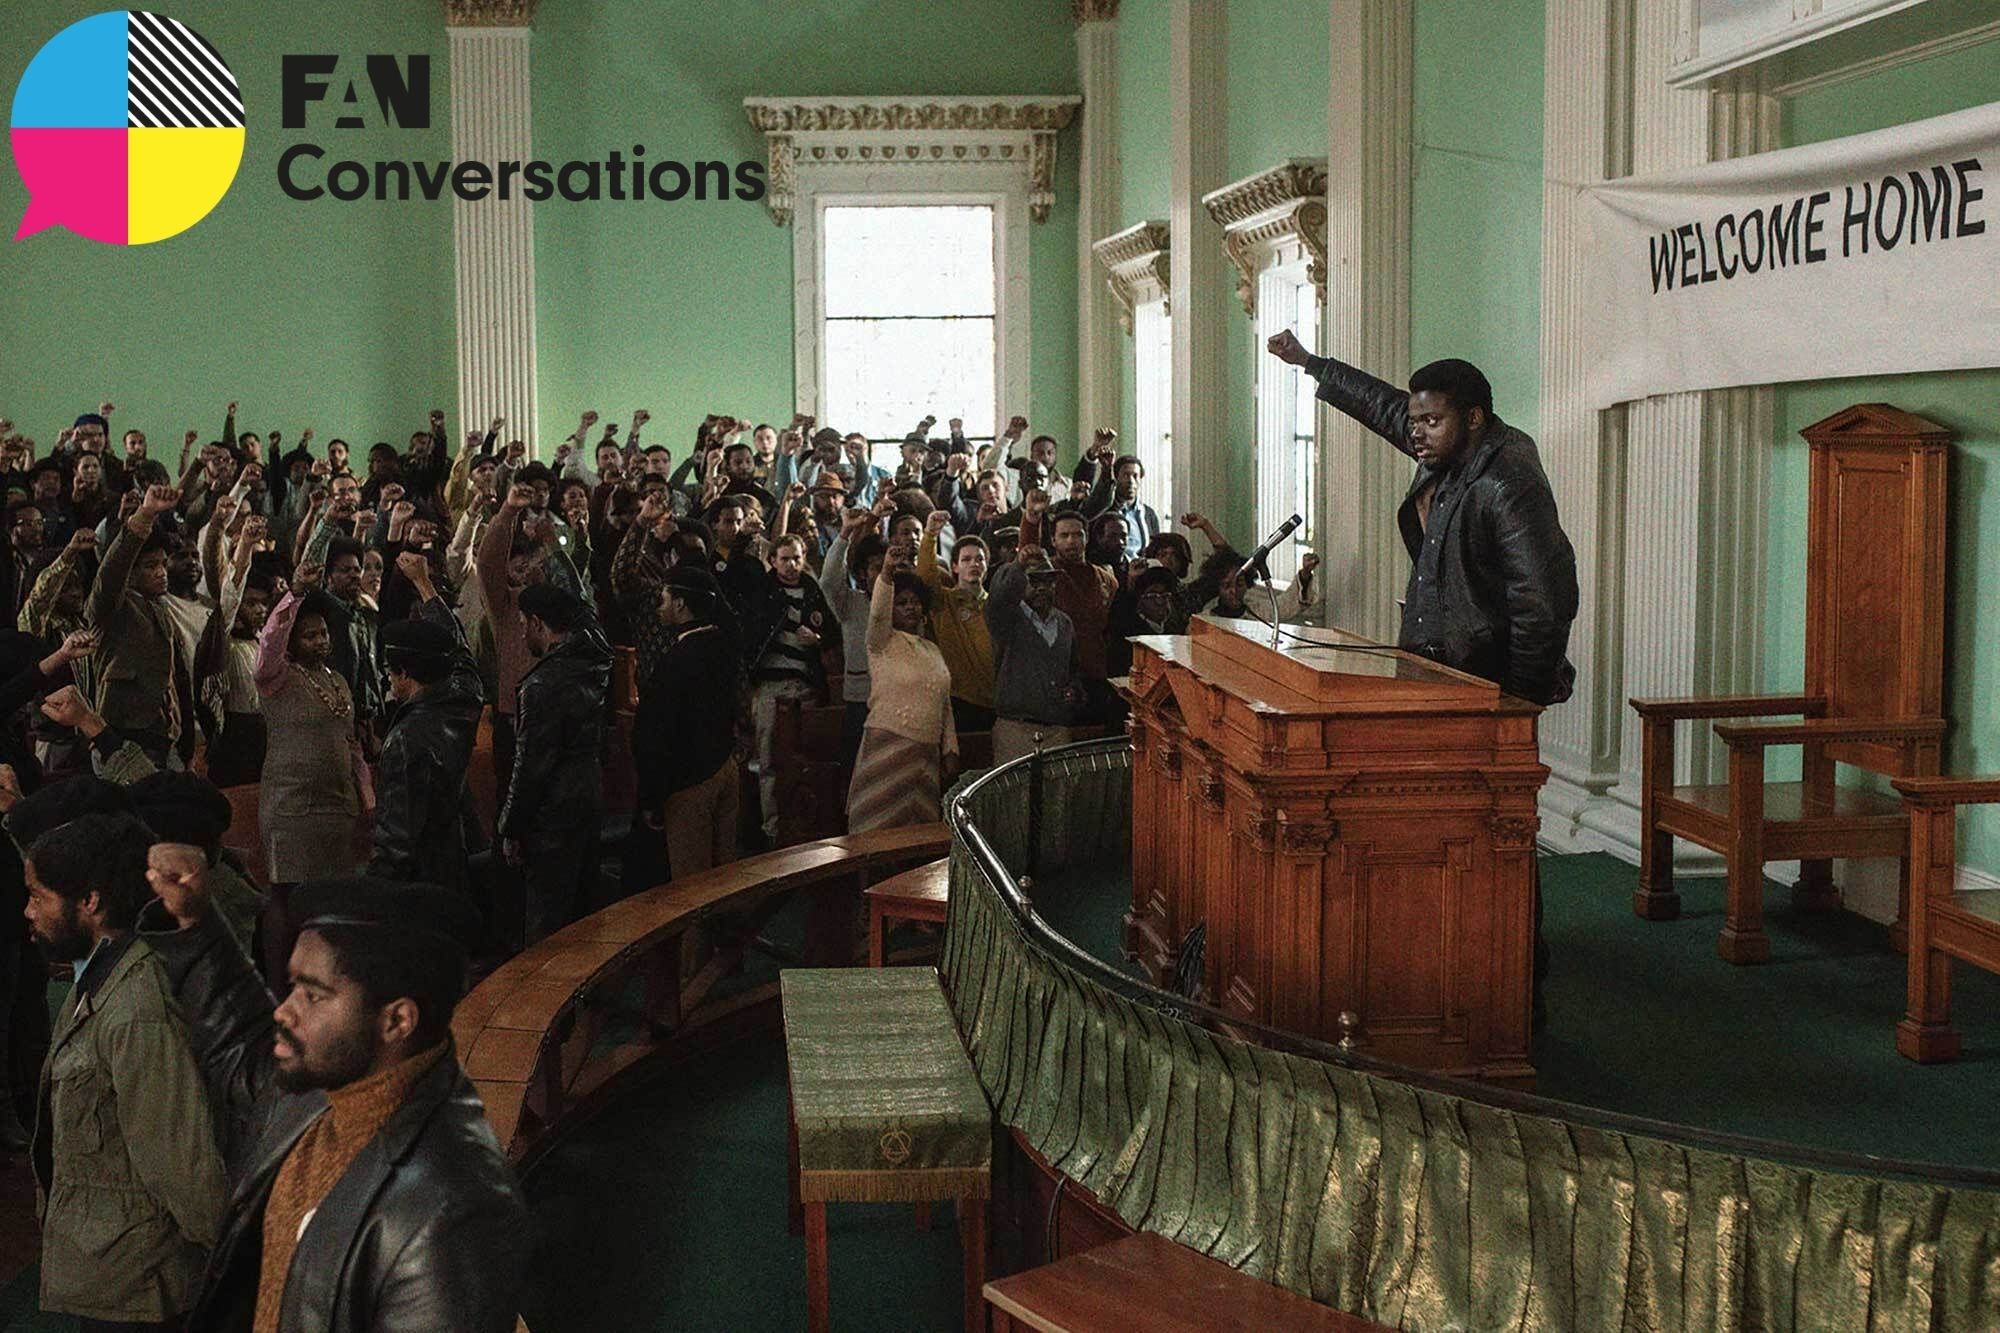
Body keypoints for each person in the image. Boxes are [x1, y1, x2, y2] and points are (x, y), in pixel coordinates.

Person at [138, 867, 530, 1332]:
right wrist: (195, 920)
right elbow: (241, 1034)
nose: (284, 1010)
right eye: (291, 988)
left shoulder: (455, 1211)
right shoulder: (325, 1092)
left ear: (396, 1021)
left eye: (313, 994)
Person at [1267, 332, 1578, 703]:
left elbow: (1541, 602)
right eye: (1415, 421)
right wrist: (1310, 363)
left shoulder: (1507, 482)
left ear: (1474, 418)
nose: (1416, 432)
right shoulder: (1443, 444)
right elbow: (1380, 404)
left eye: (1430, 421)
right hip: (1428, 667)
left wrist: (1519, 704)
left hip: (1481, 683)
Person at [24, 811, 229, 1331]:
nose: (28, 911)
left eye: (39, 896)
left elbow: (184, 1167)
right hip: (110, 1271)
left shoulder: (137, 1008)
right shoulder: (98, 976)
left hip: (139, 1289)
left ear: (90, 902)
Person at [254, 563, 366, 980]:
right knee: (285, 894)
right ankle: (279, 986)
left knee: (333, 896)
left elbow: (350, 743)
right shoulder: (276, 678)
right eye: (310, 635)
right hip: (291, 803)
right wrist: (295, 594)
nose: (320, 642)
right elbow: (270, 640)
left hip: (336, 803)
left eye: (324, 634)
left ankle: (324, 977)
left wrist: (364, 797)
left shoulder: (336, 680)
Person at [498, 583, 611, 947]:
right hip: (588, 795)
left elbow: (531, 767)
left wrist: (511, 827)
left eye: (523, 623)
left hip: (553, 814)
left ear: (537, 623)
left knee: (547, 930)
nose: (521, 631)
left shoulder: (543, 683)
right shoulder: (593, 661)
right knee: (584, 915)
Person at [369, 556, 484, 896]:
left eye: (391, 670)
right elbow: (460, 652)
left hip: (417, 882)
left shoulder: (406, 737)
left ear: (404, 673)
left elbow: (397, 838)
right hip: (454, 858)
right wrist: (424, 585)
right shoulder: (462, 699)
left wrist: (375, 891)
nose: (388, 678)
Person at [634, 566, 743, 878]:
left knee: (692, 883)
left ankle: (699, 931)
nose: (660, 606)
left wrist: (651, 797)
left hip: (691, 780)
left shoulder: (676, 661)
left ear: (681, 604)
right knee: (725, 873)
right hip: (724, 764)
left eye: (665, 599)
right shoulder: (723, 644)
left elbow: (658, 733)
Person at [847, 545, 959, 830]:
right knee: (874, 831)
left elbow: (944, 701)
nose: (911, 607)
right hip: (887, 748)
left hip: (926, 756)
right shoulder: (881, 642)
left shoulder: (931, 649)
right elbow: (877, 614)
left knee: (917, 836)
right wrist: (886, 573)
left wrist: (950, 748)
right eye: (902, 602)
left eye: (915, 602)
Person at [85, 483, 195, 766]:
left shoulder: (159, 606)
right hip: (121, 737)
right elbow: (114, 568)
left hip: (163, 736)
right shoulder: (111, 605)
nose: (161, 572)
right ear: (130, 573)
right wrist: (145, 514)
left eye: (162, 564)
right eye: (150, 566)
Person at [985, 547, 1079, 766]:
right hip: (1015, 728)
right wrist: (1018, 564)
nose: (1042, 588)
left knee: (1058, 796)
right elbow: (999, 597)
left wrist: (1073, 691)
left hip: (1057, 728)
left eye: (1048, 582)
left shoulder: (1065, 623)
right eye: (1034, 582)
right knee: (1016, 796)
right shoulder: (1007, 620)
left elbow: (1073, 669)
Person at [913, 511, 995, 734]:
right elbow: (925, 576)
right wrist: (930, 535)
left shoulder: (995, 605)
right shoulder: (944, 601)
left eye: (979, 559)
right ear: (955, 567)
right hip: (959, 701)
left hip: (996, 701)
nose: (974, 564)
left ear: (987, 566)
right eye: (966, 560)